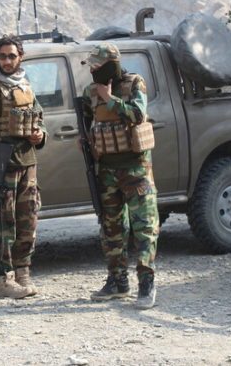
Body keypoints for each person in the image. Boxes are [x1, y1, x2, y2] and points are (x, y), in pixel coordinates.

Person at [81, 43, 159, 309]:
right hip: (107, 172)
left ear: (111, 64)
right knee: (111, 228)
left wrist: (110, 98)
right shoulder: (90, 92)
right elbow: (89, 124)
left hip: (135, 170)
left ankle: (146, 283)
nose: (92, 70)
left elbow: (137, 114)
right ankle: (117, 281)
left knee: (143, 228)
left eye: (97, 65)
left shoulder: (134, 83)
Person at [0, 35, 46, 299]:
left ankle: (23, 271)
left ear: (20, 57)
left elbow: (39, 118)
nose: (6, 61)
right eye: (2, 56)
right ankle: (3, 278)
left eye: (11, 56)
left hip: (27, 163)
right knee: (4, 223)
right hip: (2, 166)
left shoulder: (25, 85)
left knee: (29, 219)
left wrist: (40, 135)